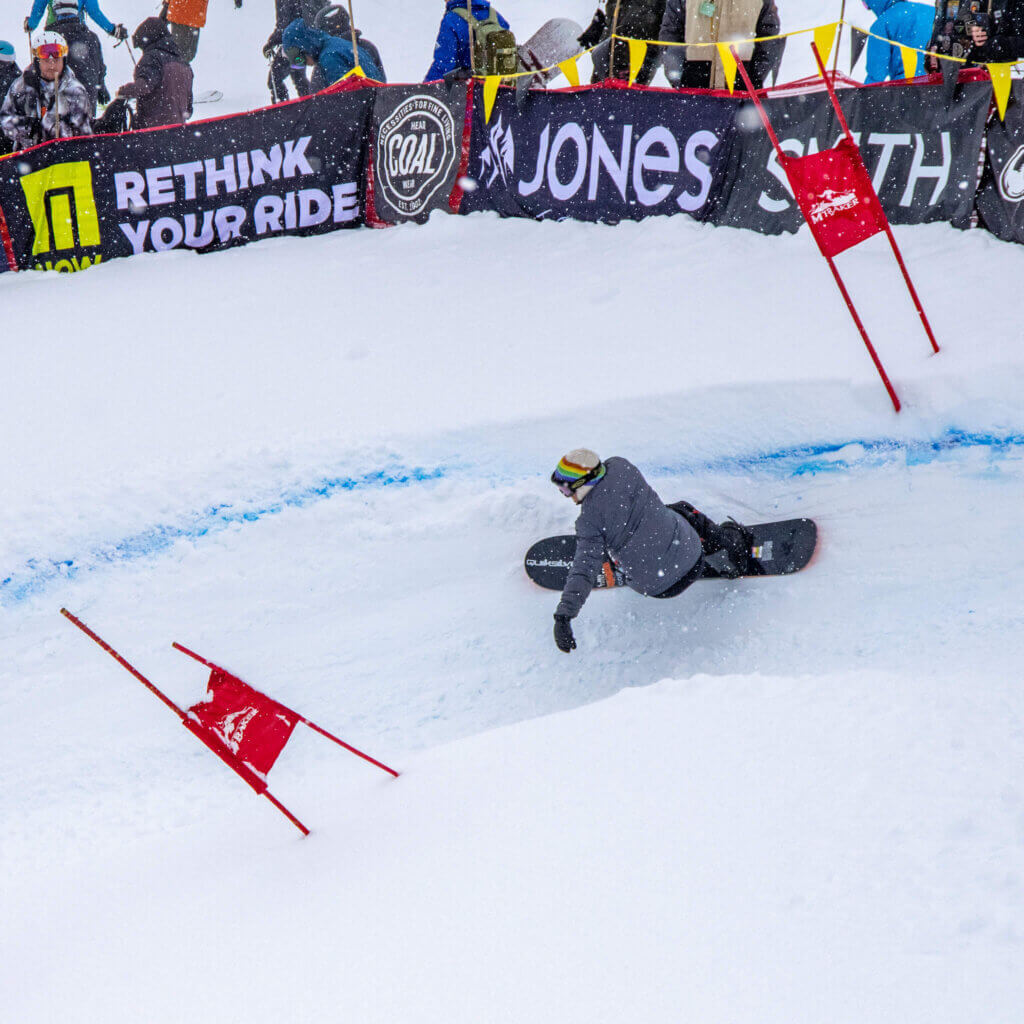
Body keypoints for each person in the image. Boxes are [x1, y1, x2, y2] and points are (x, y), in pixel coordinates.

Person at [548, 450, 760, 654]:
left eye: (566, 491)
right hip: (693, 556)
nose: (567, 497)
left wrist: (563, 617)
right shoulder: (622, 466)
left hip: (657, 588)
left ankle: (616, 564)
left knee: (603, 548)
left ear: (584, 483)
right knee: (683, 510)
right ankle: (733, 551)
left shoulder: (588, 523)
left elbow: (584, 570)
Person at [658, 0, 784, 90]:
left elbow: (769, 37)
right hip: (692, 87)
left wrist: (754, 77)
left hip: (742, 88)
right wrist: (678, 76)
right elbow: (670, 35)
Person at [1, 31, 93, 152]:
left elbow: (83, 133)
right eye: (45, 58)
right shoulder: (21, 86)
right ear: (37, 60)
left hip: (64, 159)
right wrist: (30, 128)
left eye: (56, 57)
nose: (51, 64)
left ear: (63, 59)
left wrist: (51, 129)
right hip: (28, 160)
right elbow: (6, 119)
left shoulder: (75, 91)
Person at [115, 18, 192, 129]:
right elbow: (189, 108)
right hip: (178, 131)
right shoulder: (184, 63)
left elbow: (144, 85)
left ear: (148, 41)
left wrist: (124, 91)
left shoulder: (152, 58)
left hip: (152, 131)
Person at [578, 1, 666, 85]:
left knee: (629, 97)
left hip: (637, 58)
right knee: (597, 94)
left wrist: (656, 55)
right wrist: (598, 26)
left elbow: (671, 23)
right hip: (608, 55)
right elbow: (611, 16)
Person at [281, 17, 385, 86]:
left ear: (306, 48)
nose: (305, 64)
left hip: (366, 111)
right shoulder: (336, 44)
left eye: (301, 58)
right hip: (377, 104)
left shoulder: (329, 57)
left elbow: (345, 98)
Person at [425, 0, 511, 81]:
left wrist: (425, 90)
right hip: (502, 88)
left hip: (470, 90)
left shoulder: (452, 20)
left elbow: (443, 65)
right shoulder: (496, 17)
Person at [51, 0, 108, 114]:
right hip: (88, 93)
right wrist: (101, 87)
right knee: (85, 128)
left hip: (59, 96)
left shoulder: (52, 38)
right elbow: (99, 66)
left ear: (56, 11)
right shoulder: (91, 37)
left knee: (60, 129)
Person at [929, 0, 1024, 65]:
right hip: (954, 73)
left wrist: (996, 43)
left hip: (999, 78)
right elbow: (947, 24)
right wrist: (934, 47)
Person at [860, 0, 933, 82]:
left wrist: (863, 93)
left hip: (909, 87)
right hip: (943, 84)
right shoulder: (931, 11)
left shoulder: (882, 24)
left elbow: (877, 74)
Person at [263, 0, 321, 101]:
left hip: (294, 45)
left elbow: (285, 24)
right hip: (296, 43)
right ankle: (309, 104)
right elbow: (282, 24)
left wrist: (272, 42)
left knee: (275, 79)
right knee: (298, 78)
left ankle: (284, 108)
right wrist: (272, 41)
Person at [160, 0, 243, 66]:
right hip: (184, 14)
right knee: (182, 57)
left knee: (185, 56)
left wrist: (167, 5)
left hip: (188, 14)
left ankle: (176, 81)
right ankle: (174, 82)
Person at [25, 0, 126, 42]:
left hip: (54, 32)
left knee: (51, 67)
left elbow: (38, 9)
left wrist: (30, 25)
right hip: (78, 32)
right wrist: (112, 30)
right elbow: (94, 12)